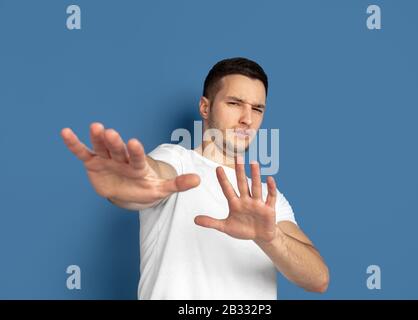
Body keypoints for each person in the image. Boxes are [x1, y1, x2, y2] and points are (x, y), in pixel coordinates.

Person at [61, 57, 329, 299]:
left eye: (257, 109)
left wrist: (270, 238)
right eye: (234, 103)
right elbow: (154, 176)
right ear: (205, 107)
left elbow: (318, 280)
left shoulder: (266, 199)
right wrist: (132, 184)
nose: (247, 119)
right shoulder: (177, 160)